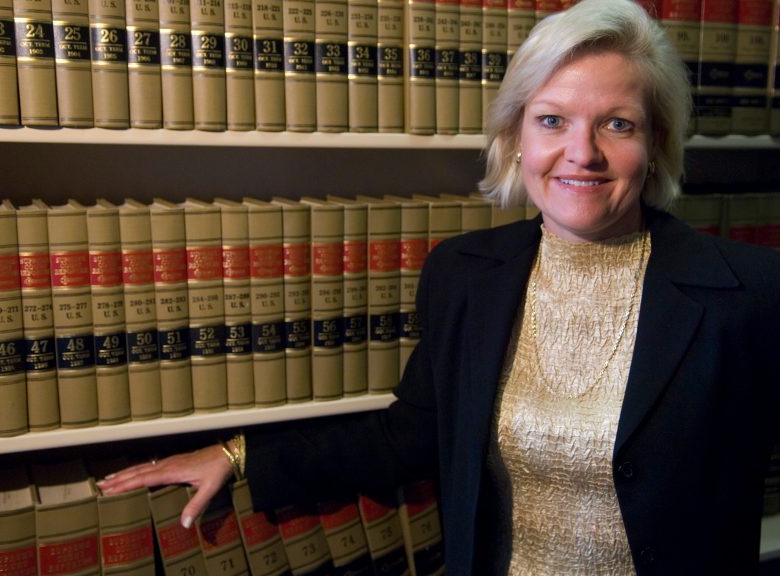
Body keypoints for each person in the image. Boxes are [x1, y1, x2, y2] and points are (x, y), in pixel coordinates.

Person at [99, 0, 780, 572]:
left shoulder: (748, 294)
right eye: (552, 120)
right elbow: (414, 434)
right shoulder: (465, 274)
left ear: (656, 144)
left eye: (617, 124)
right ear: (516, 137)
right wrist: (238, 456)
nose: (582, 152)